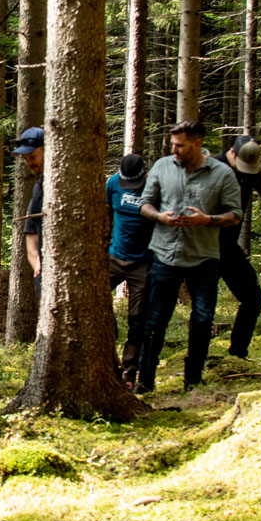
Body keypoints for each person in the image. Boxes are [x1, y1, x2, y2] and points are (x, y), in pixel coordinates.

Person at [135, 120, 243, 392]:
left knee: (202, 320)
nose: (175, 149)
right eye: (173, 144)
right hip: (164, 255)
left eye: (180, 145)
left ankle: (193, 380)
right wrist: (159, 216)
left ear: (197, 144)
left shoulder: (222, 174)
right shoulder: (161, 167)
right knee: (155, 319)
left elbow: (235, 215)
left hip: (204, 258)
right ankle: (145, 382)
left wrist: (207, 219)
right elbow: (145, 204)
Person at [213, 135, 261, 360]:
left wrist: (257, 174)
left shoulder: (252, 172)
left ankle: (237, 354)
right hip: (202, 246)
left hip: (228, 247)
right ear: (231, 151)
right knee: (203, 308)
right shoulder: (212, 166)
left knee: (253, 298)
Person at [105, 153, 155, 379]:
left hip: (142, 263)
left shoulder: (154, 187)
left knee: (137, 318)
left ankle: (129, 370)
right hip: (114, 258)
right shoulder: (113, 183)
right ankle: (106, 358)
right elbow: (105, 214)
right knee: (95, 302)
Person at [15, 126, 47, 292]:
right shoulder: (39, 187)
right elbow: (31, 233)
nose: (29, 163)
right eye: (25, 158)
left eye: (32, 157)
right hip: (45, 277)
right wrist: (37, 265)